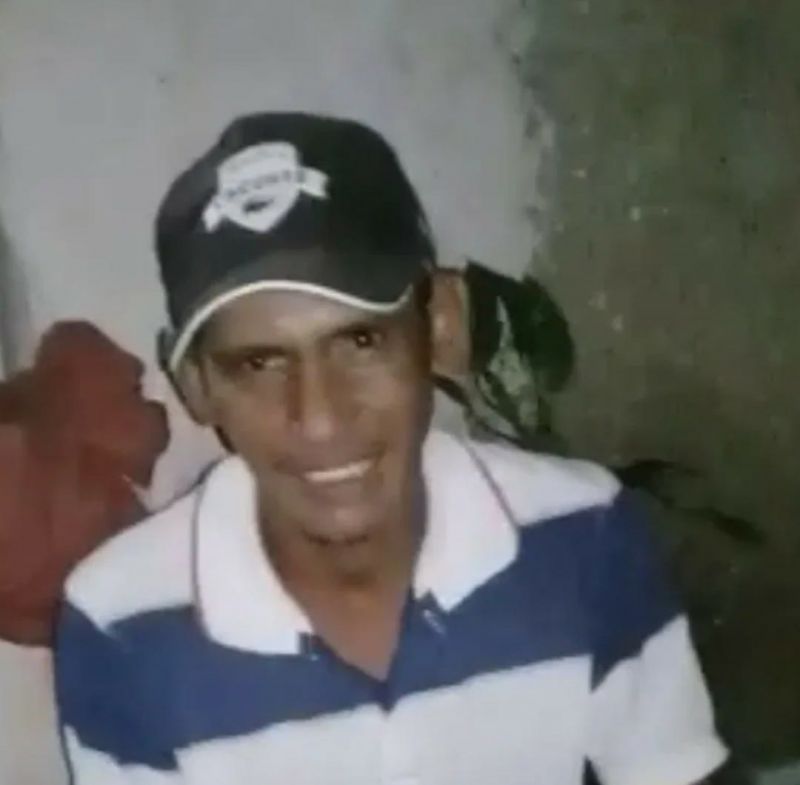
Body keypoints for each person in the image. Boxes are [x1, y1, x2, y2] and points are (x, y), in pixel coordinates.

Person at [54, 112, 727, 785]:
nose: (320, 419)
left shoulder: (583, 534)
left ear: (438, 325)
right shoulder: (121, 623)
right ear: (195, 385)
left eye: (361, 341)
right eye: (259, 363)